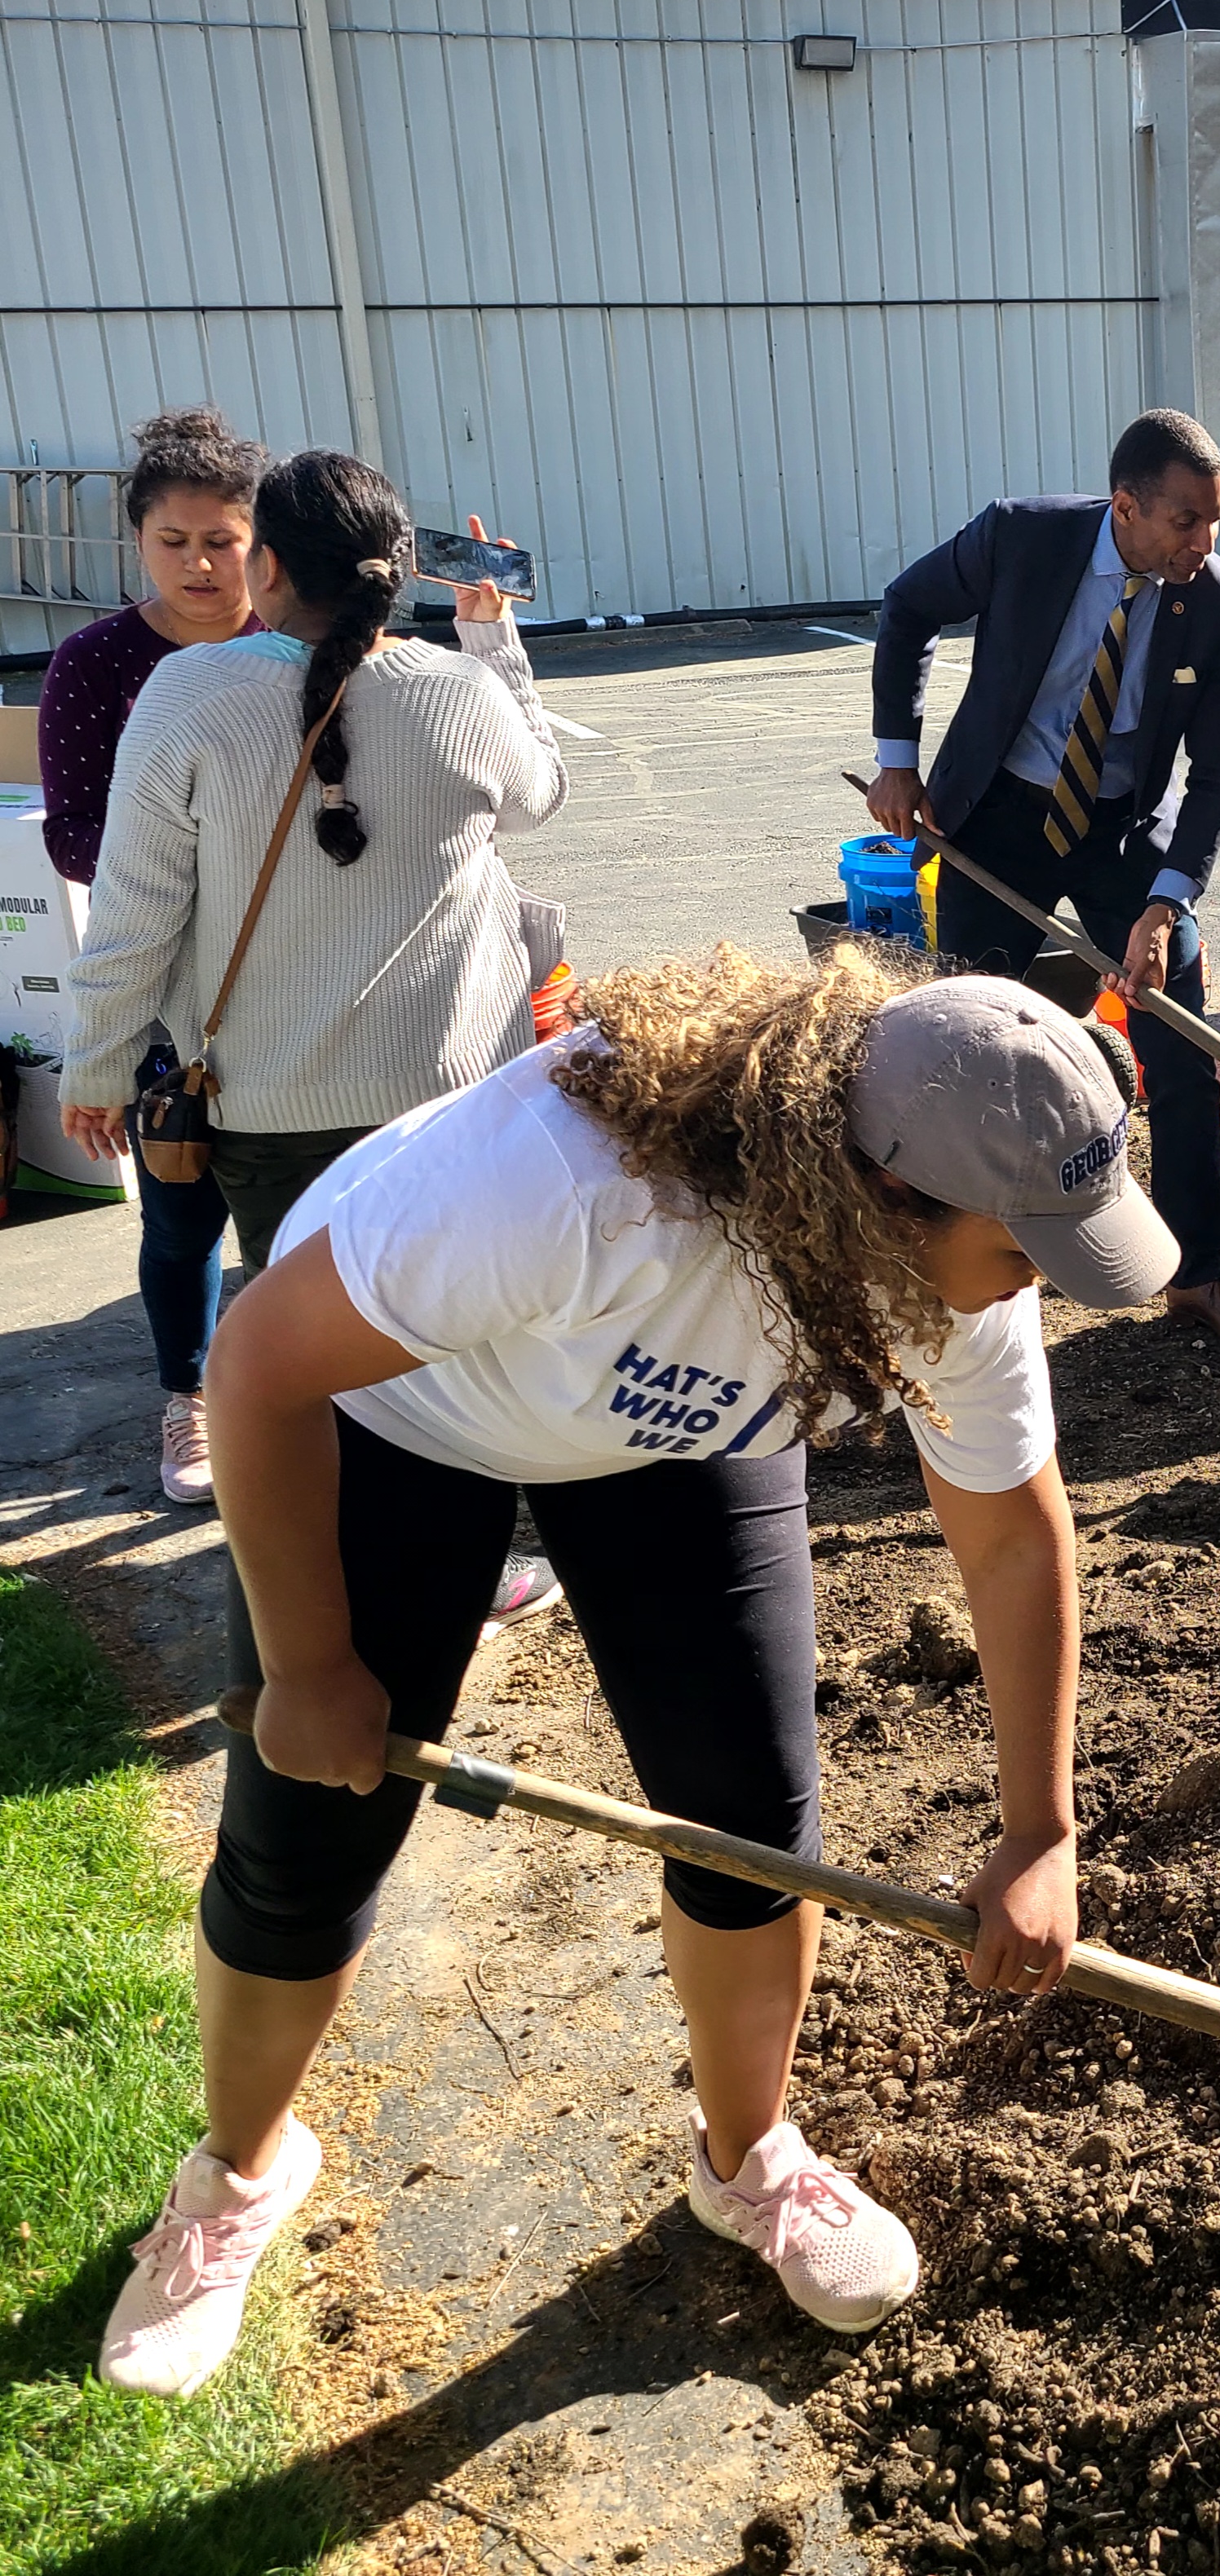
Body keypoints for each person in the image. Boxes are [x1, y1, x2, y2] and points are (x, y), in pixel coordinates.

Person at [96, 951, 1165, 2397]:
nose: (1038, 1282)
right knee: (309, 1830)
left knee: (748, 1818)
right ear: (881, 1195)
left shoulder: (958, 1261)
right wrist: (310, 1662)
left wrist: (1041, 1831)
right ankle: (235, 2174)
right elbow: (257, 1363)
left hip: (676, 1426)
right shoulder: (563, 1187)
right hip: (395, 1402)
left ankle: (749, 2159)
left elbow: (1014, 1545)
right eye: (1027, 1245)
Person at [59, 453, 567, 1274]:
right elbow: (538, 800)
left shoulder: (189, 695)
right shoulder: (465, 692)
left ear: (267, 564)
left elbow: (134, 912)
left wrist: (97, 1065)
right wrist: (492, 640)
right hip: (456, 1097)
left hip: (266, 1112)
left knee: (311, 1361)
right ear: (400, 573)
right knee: (458, 1346)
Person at [866, 407, 1220, 1347]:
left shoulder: (1218, 600)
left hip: (1124, 833)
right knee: (954, 1051)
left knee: (1179, 1047)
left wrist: (1168, 898)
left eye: (1215, 520)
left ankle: (1198, 1276)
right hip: (998, 818)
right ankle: (937, 1282)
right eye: (1186, 521)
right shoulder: (1023, 538)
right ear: (1126, 506)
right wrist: (899, 757)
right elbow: (907, 606)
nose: (1205, 543)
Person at [37, 408, 265, 1504]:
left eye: (221, 540)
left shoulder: (304, 643)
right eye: (175, 544)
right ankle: (191, 1398)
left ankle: (309, 1399)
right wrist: (180, 865)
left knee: (314, 1214)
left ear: (257, 538)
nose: (202, 566)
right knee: (180, 1209)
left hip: (304, 989)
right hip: (164, 994)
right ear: (139, 543)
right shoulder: (96, 664)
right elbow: (71, 833)